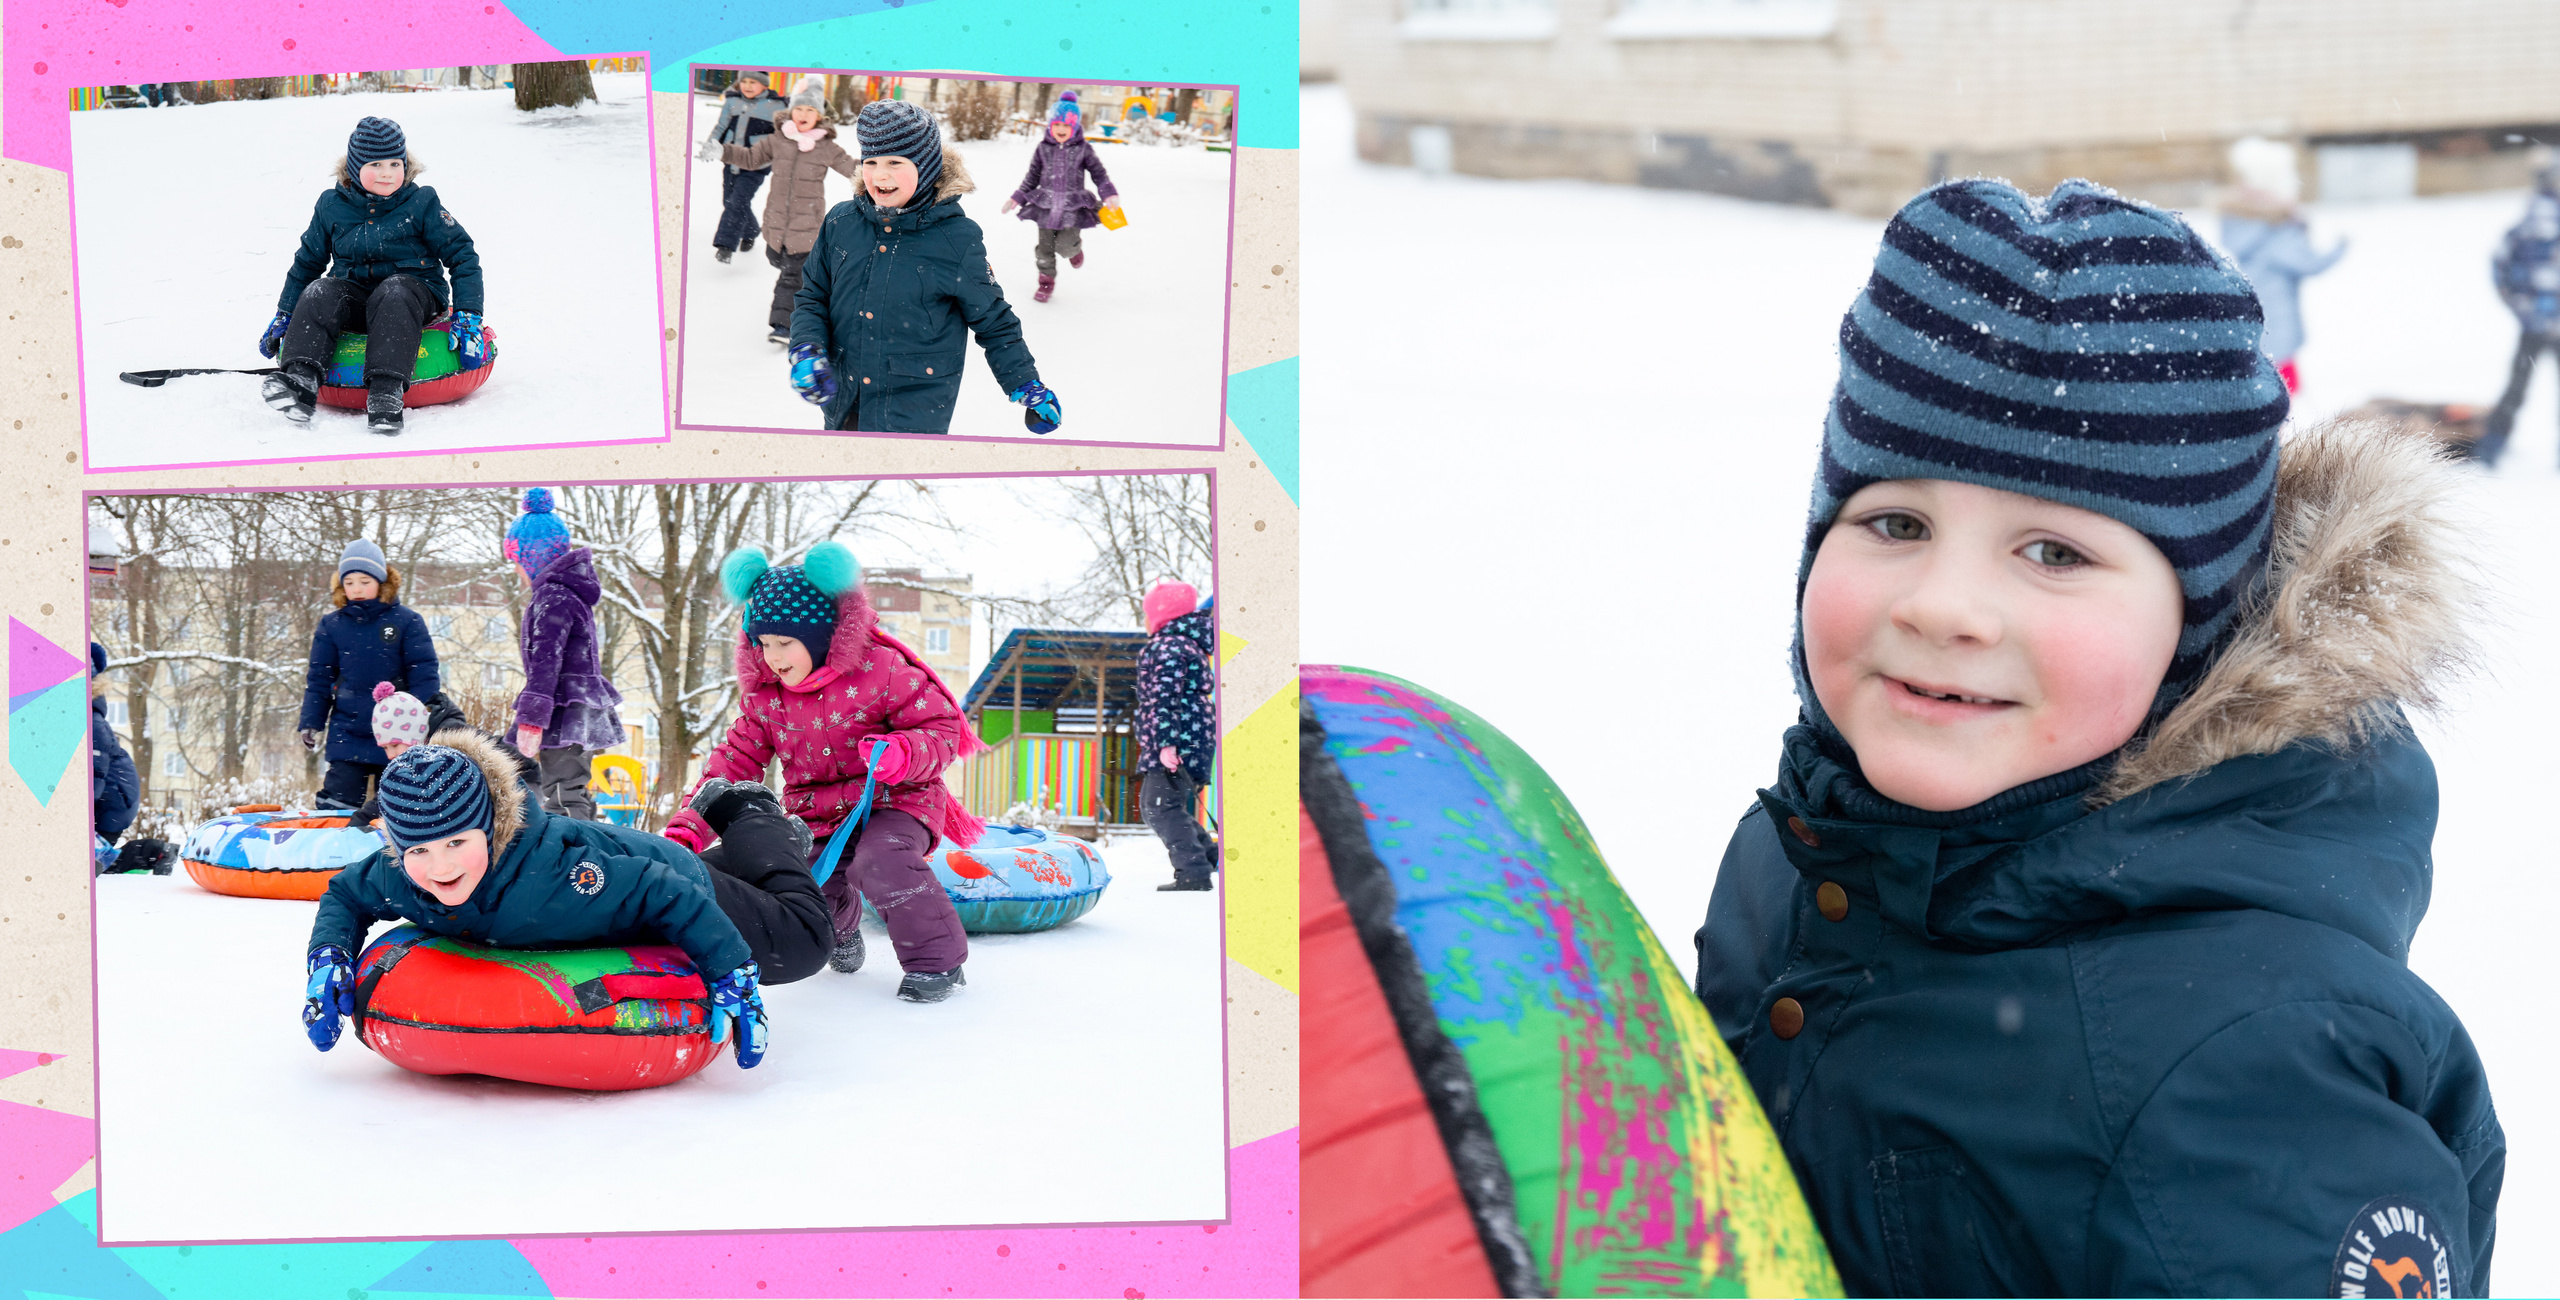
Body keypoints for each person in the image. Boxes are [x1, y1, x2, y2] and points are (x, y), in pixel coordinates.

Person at [1692, 178, 2500, 1297]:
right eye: (1894, 521)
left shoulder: (2245, 1075)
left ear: (2193, 631)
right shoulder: (1807, 862)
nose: (1943, 605)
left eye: (2055, 554)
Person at [298, 734, 834, 1069]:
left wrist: (732, 973)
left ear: (489, 828)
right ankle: (742, 849)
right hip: (629, 881)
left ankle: (751, 816)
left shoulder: (553, 877)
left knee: (804, 944)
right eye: (419, 848)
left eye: (457, 843)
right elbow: (346, 894)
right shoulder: (402, 874)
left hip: (674, 876)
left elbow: (661, 890)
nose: (440, 868)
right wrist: (329, 959)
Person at [662, 541, 986, 1003]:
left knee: (881, 861)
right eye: (763, 643)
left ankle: (936, 964)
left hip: (895, 799)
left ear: (819, 635)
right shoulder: (768, 697)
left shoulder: (884, 669)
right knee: (802, 881)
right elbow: (731, 766)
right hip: (816, 811)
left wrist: (901, 753)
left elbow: (942, 729)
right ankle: (842, 927)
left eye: (784, 642)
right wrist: (690, 829)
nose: (772, 656)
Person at [786, 98, 1062, 436]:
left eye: (894, 162)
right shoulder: (841, 222)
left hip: (914, 409)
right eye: (870, 161)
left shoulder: (955, 239)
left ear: (927, 166)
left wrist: (1026, 384)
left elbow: (994, 322)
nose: (880, 174)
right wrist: (806, 346)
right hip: (844, 397)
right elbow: (813, 295)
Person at [257, 115, 488, 435]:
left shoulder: (421, 202)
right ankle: (301, 382)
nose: (387, 173)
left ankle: (386, 392)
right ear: (354, 167)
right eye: (376, 164)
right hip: (356, 293)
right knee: (320, 290)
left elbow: (463, 257)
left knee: (393, 291)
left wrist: (468, 316)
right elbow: (307, 262)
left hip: (414, 293)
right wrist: (285, 312)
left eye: (396, 163)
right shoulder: (331, 205)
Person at [696, 76, 858, 344]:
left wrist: (881, 172)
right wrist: (722, 150)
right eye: (799, 108)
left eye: (810, 110)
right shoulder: (777, 140)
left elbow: (851, 167)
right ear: (791, 110)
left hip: (806, 228)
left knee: (791, 277)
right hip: (775, 226)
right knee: (779, 262)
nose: (804, 114)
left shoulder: (827, 147)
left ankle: (784, 326)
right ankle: (821, 298)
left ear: (819, 115)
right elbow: (750, 158)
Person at [504, 489, 623, 820]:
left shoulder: (552, 599)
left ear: (532, 558)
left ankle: (574, 860)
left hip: (563, 709)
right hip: (573, 707)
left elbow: (546, 661)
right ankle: (588, 849)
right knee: (570, 789)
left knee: (561, 793)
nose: (516, 571)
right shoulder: (563, 594)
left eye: (517, 562)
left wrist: (531, 717)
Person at [297, 540, 440, 811]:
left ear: (382, 581)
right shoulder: (332, 625)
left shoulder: (407, 621)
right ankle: (338, 852)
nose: (357, 589)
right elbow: (319, 678)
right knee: (338, 806)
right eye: (349, 582)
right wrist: (310, 721)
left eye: (364, 581)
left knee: (404, 807)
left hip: (399, 733)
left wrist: (423, 717)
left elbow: (424, 672)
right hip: (348, 731)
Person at [2220, 137, 2344, 394]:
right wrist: (2340, 244)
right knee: (2284, 386)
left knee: (2265, 377)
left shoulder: (2242, 220)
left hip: (2256, 307)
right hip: (2277, 314)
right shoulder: (2276, 229)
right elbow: (2308, 262)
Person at [2472, 169, 2560, 467]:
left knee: (2515, 389)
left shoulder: (2523, 226)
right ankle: (2490, 450)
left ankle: (2491, 449)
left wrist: (2521, 307)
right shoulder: (2530, 227)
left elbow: (2499, 268)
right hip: (2537, 323)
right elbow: (2502, 267)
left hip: (2532, 324)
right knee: (2517, 388)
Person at [1133, 583, 1217, 891]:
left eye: (1147, 614)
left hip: (1179, 740)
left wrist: (1167, 742)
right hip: (1192, 737)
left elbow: (1165, 697)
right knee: (1163, 806)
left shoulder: (1168, 646)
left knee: (1159, 806)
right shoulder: (1184, 644)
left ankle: (1194, 872)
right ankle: (1210, 856)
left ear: (1161, 615)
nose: (1145, 620)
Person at [1001, 92, 1121, 304]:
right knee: (1044, 249)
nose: (1061, 130)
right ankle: (1046, 283)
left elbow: (1098, 173)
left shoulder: (1083, 149)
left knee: (1064, 246)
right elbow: (1032, 177)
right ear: (1050, 125)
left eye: (1067, 125)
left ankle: (1074, 250)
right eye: (1057, 124)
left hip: (1071, 209)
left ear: (1074, 127)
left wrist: (1108, 192)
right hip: (1045, 208)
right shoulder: (1042, 149)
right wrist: (1017, 197)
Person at [700, 70, 784, 264]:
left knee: (737, 202)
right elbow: (721, 127)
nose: (747, 85)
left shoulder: (777, 106)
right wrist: (710, 146)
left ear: (765, 85)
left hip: (757, 164)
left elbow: (782, 136)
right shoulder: (732, 101)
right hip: (731, 159)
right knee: (730, 200)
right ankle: (751, 230)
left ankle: (725, 246)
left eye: (753, 82)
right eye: (743, 81)